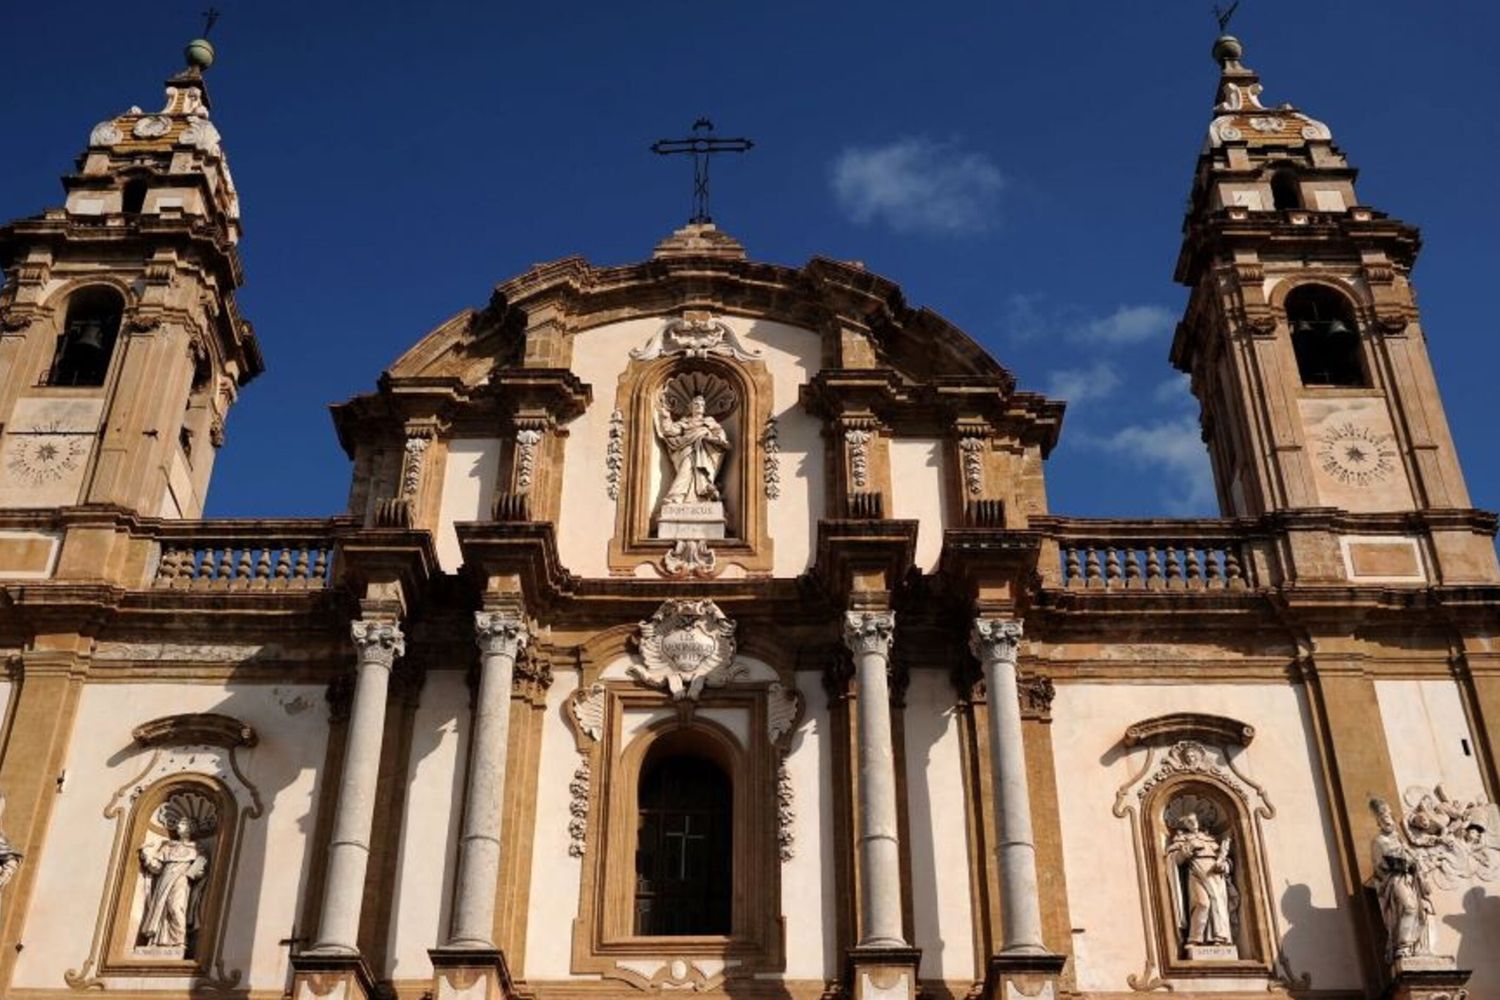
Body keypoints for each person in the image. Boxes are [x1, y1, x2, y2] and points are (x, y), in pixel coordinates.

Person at [1369, 798, 1434, 962]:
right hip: (1394, 879)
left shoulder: (1399, 839)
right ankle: (1402, 946)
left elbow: (1412, 857)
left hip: (1409, 879)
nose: (1387, 821)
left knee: (1417, 910)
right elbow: (1379, 866)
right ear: (1379, 822)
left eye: (1389, 817)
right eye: (1383, 818)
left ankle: (1412, 946)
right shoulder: (1378, 841)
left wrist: (1413, 861)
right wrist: (1397, 862)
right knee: (1409, 907)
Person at [1165, 811, 1237, 951]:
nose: (1193, 824)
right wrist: (1185, 852)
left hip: (1214, 875)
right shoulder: (1182, 839)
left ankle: (1219, 938)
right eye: (1189, 822)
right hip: (1195, 871)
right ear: (1185, 825)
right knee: (1202, 903)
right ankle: (1195, 938)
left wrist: (1224, 866)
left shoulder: (1210, 839)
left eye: (1194, 820)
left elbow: (1226, 861)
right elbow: (1174, 860)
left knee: (1218, 904)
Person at [138, 816, 209, 952]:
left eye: (182, 824)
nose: (178, 826)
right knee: (162, 908)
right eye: (178, 823)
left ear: (190, 828)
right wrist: (146, 855)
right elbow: (156, 867)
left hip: (181, 878)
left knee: (176, 907)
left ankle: (179, 941)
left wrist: (195, 871)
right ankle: (159, 942)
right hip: (165, 878)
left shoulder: (197, 848)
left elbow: (201, 867)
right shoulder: (169, 846)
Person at [655, 392, 729, 504]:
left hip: (704, 452)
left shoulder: (709, 421)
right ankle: (676, 497)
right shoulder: (685, 422)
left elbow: (720, 434)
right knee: (685, 470)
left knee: (701, 473)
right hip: (687, 450)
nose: (699, 406)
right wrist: (665, 417)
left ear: (704, 408)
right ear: (691, 407)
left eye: (701, 404)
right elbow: (669, 431)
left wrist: (710, 437)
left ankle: (704, 494)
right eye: (696, 404)